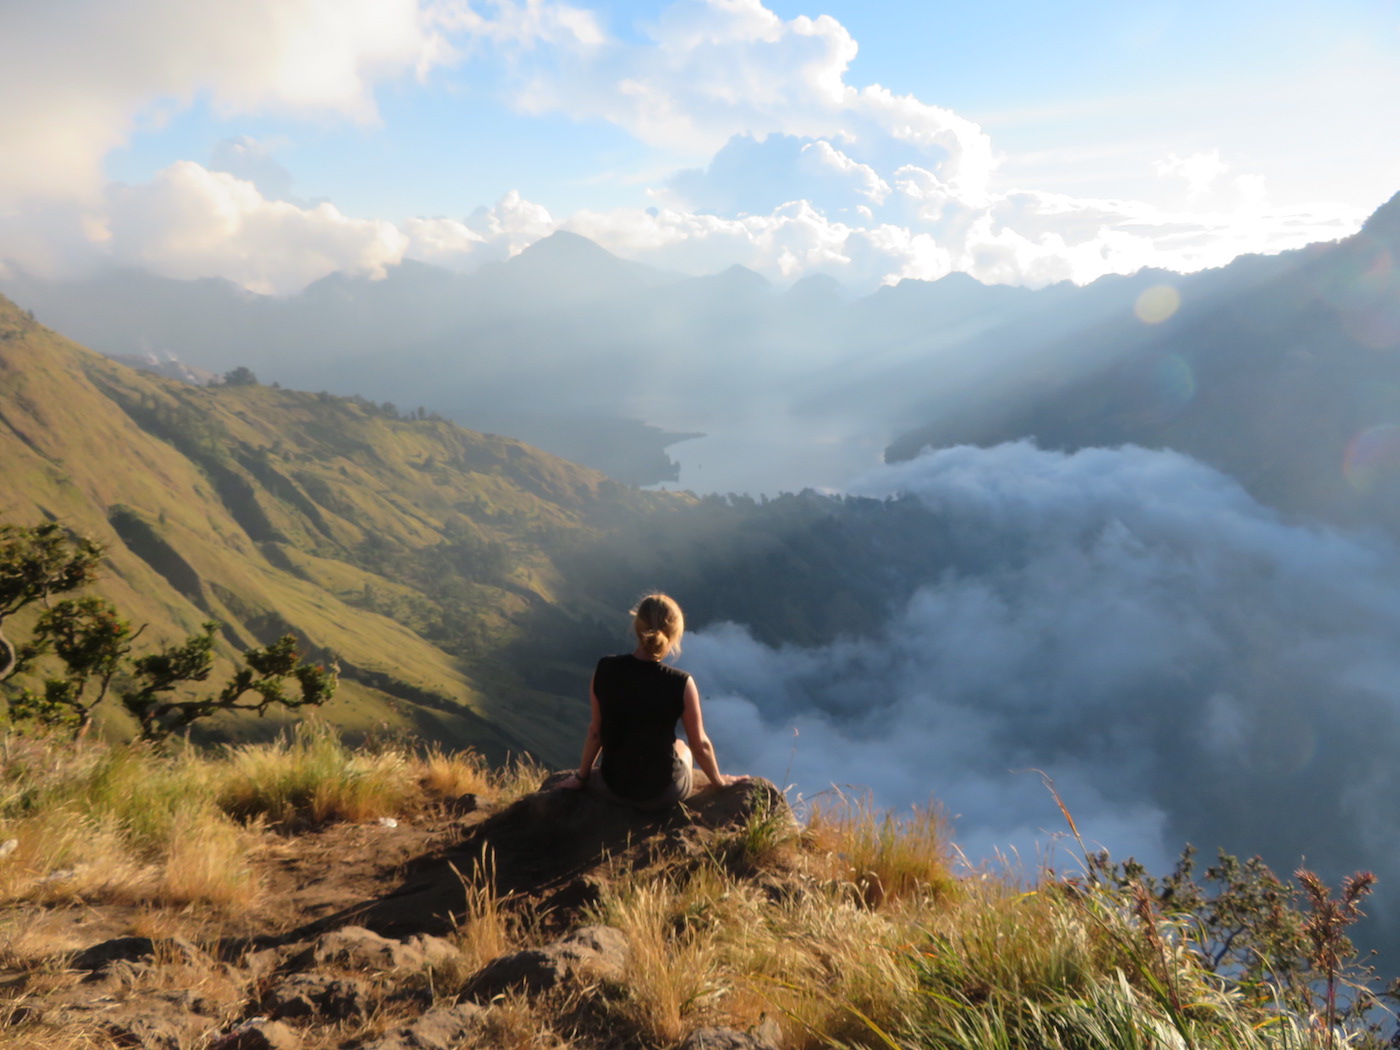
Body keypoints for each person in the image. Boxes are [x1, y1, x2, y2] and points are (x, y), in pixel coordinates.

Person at [560, 593, 744, 808]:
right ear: (674, 633)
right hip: (664, 794)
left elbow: (595, 732)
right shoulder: (681, 682)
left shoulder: (605, 668)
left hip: (614, 789)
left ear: (637, 626)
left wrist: (581, 778)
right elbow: (699, 744)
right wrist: (720, 783)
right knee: (682, 746)